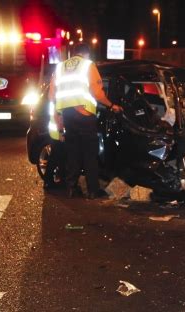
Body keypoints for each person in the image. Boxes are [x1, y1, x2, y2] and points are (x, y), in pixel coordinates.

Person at [49, 43, 122, 199]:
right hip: (84, 114)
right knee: (90, 153)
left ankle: (71, 188)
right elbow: (97, 93)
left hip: (67, 115)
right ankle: (93, 190)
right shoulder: (88, 65)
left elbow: (52, 95)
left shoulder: (60, 67)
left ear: (75, 53)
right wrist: (111, 105)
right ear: (87, 54)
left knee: (73, 153)